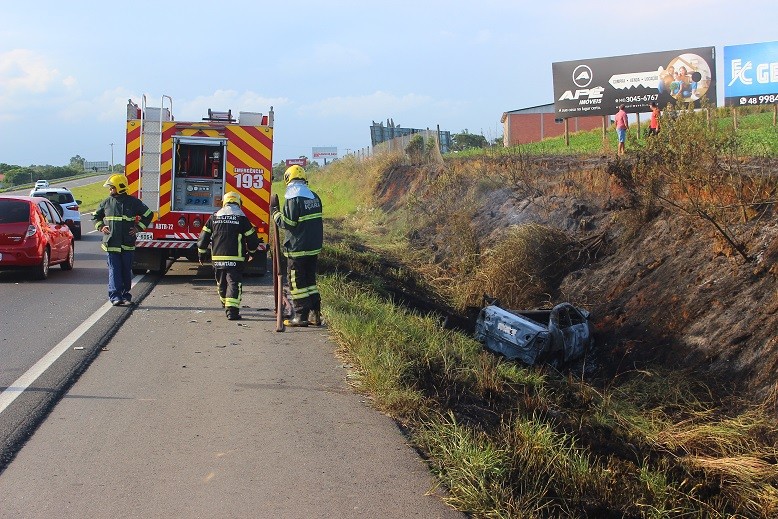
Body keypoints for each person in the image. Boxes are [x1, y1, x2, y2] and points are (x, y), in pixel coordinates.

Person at [270, 165, 324, 327]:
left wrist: (275, 213)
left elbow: (289, 223)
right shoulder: (314, 196)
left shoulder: (293, 198)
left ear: (288, 179)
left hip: (297, 249)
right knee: (310, 282)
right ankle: (316, 315)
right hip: (313, 247)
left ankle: (300, 316)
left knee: (297, 283)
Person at [197, 191, 260, 320]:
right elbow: (252, 240)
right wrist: (252, 252)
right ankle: (232, 311)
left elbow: (203, 239)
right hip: (235, 259)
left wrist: (202, 254)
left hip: (218, 258)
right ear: (238, 203)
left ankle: (225, 304)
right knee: (233, 283)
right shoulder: (242, 218)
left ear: (224, 203)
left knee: (221, 283)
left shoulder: (214, 217)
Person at [93, 174, 154, 306]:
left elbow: (149, 215)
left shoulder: (133, 202)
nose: (109, 191)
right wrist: (101, 226)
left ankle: (126, 295)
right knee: (114, 270)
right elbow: (95, 216)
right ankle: (115, 296)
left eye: (111, 188)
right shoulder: (106, 202)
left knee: (126, 270)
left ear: (120, 188)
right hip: (112, 244)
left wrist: (138, 228)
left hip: (127, 244)